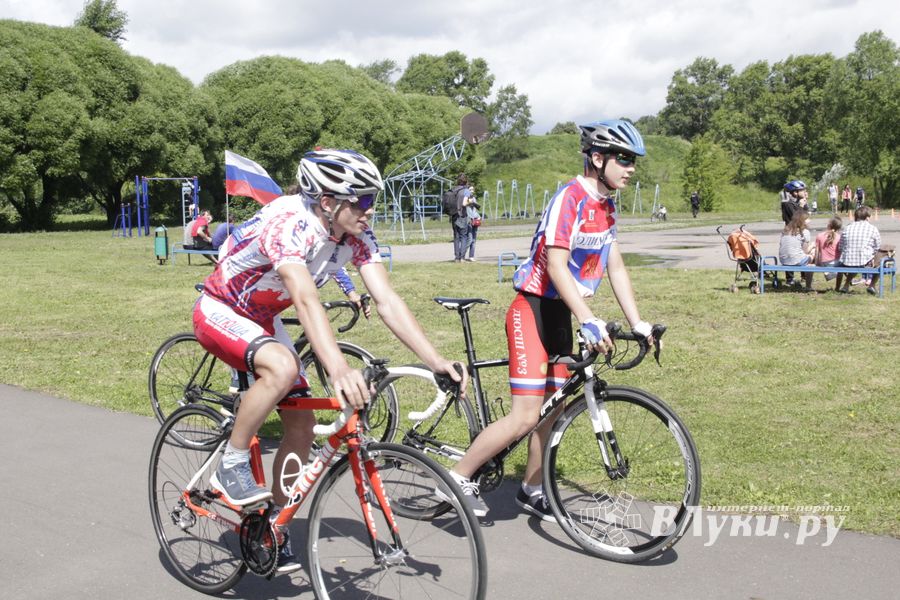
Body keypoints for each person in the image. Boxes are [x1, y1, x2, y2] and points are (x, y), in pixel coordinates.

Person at [194, 149, 466, 571]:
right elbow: (304, 297)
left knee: (302, 423)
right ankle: (230, 465)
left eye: (372, 199)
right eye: (360, 201)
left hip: (262, 317)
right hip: (222, 309)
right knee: (282, 369)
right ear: (326, 201)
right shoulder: (288, 223)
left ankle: (272, 528)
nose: (369, 210)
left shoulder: (356, 236)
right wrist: (338, 369)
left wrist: (436, 360)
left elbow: (387, 300)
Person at [437, 119, 654, 520]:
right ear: (598, 158)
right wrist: (588, 318)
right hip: (532, 308)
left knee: (551, 411)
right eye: (624, 159)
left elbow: (616, 267)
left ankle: (531, 489)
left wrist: (637, 322)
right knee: (525, 415)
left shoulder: (605, 206)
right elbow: (555, 266)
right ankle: (457, 477)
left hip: (561, 312)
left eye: (633, 160)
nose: (631, 168)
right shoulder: (568, 199)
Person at [836, 205, 882, 295]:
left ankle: (845, 285)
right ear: (867, 218)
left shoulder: (847, 228)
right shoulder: (873, 229)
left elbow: (840, 246)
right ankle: (872, 285)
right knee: (881, 261)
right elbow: (878, 247)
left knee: (854, 262)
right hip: (863, 261)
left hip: (847, 261)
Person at [779, 210, 815, 291]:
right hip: (796, 260)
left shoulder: (785, 230)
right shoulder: (805, 232)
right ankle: (808, 285)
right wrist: (813, 245)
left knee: (801, 255)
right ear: (802, 221)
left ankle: (791, 279)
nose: (810, 221)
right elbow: (805, 252)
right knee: (813, 253)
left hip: (784, 260)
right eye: (807, 219)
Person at [449, 174, 471, 262]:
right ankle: (462, 257)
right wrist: (471, 201)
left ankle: (456, 257)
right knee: (464, 236)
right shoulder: (466, 191)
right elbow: (464, 203)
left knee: (456, 237)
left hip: (454, 216)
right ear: (466, 181)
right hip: (462, 215)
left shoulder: (454, 190)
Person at [814, 216, 843, 282]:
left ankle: (829, 272)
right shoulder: (839, 237)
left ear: (829, 225)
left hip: (824, 262)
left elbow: (817, 251)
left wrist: (817, 263)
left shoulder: (819, 235)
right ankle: (836, 284)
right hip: (836, 261)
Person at [465, 186, 481, 262]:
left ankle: (471, 256)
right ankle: (462, 255)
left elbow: (475, 210)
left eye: (472, 190)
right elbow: (467, 211)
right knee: (470, 239)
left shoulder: (474, 198)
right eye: (470, 190)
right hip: (469, 221)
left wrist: (478, 217)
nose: (472, 191)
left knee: (474, 240)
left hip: (475, 220)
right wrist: (469, 202)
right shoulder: (465, 199)